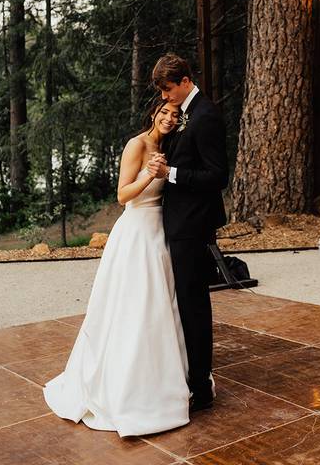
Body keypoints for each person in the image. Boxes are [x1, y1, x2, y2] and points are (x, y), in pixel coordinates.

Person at [43, 99, 190, 437]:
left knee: (160, 307)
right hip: (136, 233)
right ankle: (124, 385)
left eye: (175, 115)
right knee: (131, 306)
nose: (169, 118)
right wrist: (151, 175)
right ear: (153, 113)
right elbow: (123, 195)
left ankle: (163, 377)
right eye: (164, 113)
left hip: (160, 234)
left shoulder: (169, 147)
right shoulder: (136, 145)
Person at [146, 54, 229, 413]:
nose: (165, 98)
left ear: (184, 80)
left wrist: (172, 174)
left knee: (194, 304)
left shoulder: (206, 116)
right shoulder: (184, 113)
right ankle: (192, 374)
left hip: (191, 225)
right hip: (178, 222)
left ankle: (201, 386)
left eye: (168, 90)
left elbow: (217, 176)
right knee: (185, 302)